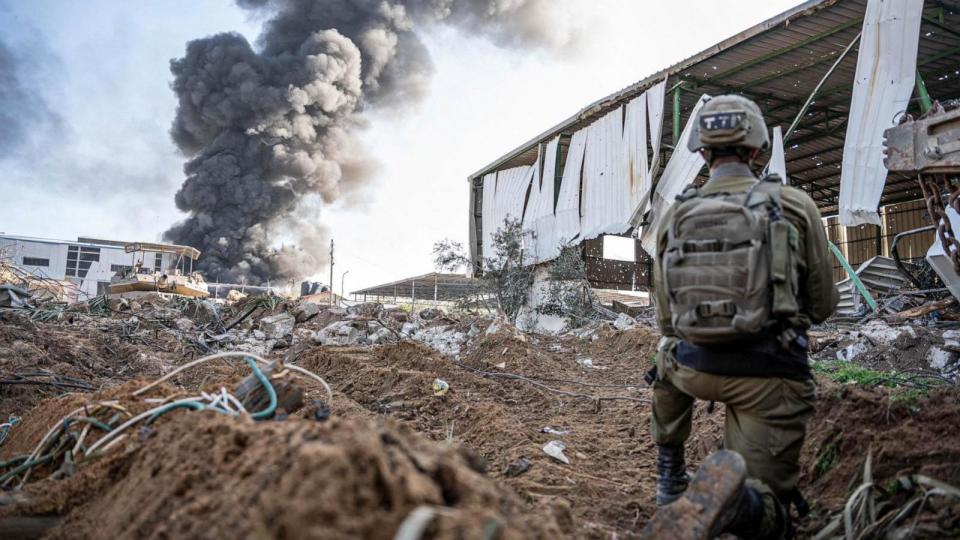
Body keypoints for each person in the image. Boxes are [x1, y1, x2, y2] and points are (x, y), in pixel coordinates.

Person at [643, 94, 839, 539]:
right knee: (768, 509)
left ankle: (670, 476)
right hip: (768, 378)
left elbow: (667, 320)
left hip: (692, 369)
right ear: (755, 149)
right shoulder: (793, 204)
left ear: (702, 151)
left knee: (664, 356)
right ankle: (739, 507)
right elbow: (824, 305)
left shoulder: (675, 216)